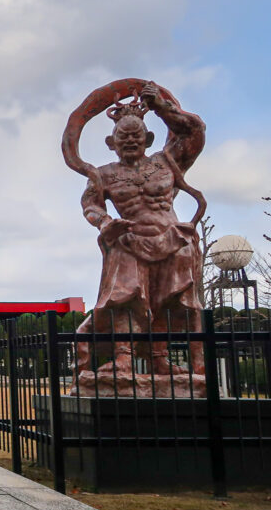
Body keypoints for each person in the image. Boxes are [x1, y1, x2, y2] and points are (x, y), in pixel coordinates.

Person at [74, 81, 205, 377]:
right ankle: (123, 357)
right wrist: (106, 223)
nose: (130, 141)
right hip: (129, 240)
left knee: (168, 298)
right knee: (125, 296)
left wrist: (161, 106)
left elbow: (195, 132)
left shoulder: (166, 162)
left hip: (171, 238)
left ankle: (159, 355)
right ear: (112, 142)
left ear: (147, 138)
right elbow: (90, 206)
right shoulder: (104, 175)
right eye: (123, 136)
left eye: (136, 136)